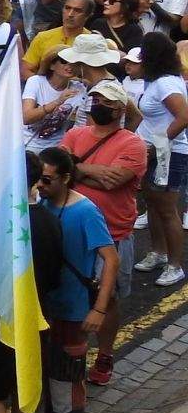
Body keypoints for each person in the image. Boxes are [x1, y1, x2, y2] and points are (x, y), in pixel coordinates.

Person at [32, 147, 119, 413]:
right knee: (47, 372)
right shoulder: (41, 204)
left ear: (66, 178)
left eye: (46, 180)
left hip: (72, 309)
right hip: (47, 307)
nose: (40, 185)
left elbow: (110, 258)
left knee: (67, 377)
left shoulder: (85, 212)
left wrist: (98, 309)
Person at [63, 80, 148, 385]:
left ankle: (105, 353)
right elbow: (59, 173)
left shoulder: (133, 144)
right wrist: (92, 171)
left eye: (107, 101)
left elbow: (114, 182)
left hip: (113, 232)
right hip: (71, 232)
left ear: (121, 109)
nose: (98, 104)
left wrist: (78, 169)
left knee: (107, 298)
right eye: (95, 98)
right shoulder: (75, 134)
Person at [129, 35, 188, 286]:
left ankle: (175, 265)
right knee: (152, 204)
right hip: (153, 151)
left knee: (167, 209)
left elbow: (184, 116)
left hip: (170, 154)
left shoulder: (166, 84)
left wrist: (159, 145)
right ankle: (158, 252)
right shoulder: (155, 81)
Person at [24, 49, 89, 151]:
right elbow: (26, 118)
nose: (70, 66)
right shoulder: (35, 81)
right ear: (52, 65)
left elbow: (82, 121)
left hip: (57, 147)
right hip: (27, 143)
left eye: (74, 63)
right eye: (64, 62)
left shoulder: (79, 88)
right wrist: (58, 101)